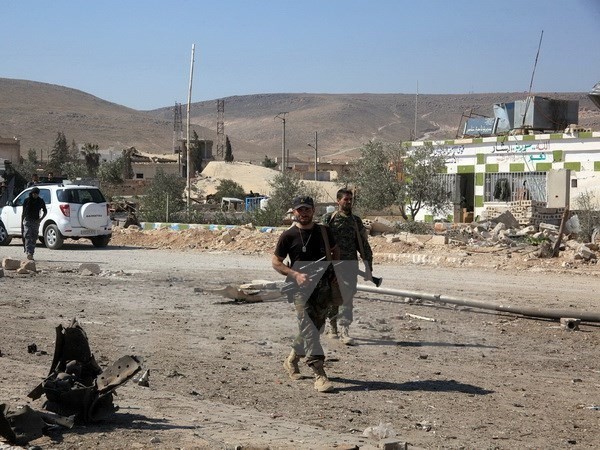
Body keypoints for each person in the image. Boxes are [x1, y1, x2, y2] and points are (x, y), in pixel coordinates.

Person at [272, 195, 339, 393]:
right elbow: (276, 262)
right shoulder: (288, 236)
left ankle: (292, 359)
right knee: (310, 329)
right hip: (301, 290)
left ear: (313, 210)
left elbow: (335, 252)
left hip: (323, 287)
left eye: (307, 209)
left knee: (315, 328)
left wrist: (335, 271)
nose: (304, 213)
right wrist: (295, 274)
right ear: (294, 212)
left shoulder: (325, 232)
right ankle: (319, 373)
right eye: (300, 210)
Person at [321, 188, 373, 346]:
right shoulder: (329, 218)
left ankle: (344, 331)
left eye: (350, 199)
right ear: (338, 201)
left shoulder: (356, 221)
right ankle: (333, 327)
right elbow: (320, 241)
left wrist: (368, 267)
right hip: (331, 265)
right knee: (332, 298)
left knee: (347, 298)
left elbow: (363, 245)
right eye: (346, 199)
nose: (349, 202)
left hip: (350, 265)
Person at [21, 187, 47, 260]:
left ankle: (31, 252)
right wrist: (23, 220)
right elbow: (23, 212)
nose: (34, 195)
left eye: (36, 194)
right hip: (27, 220)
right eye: (33, 193)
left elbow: (45, 211)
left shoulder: (40, 201)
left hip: (36, 221)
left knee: (34, 237)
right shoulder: (27, 201)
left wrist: (40, 219)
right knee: (28, 235)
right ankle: (29, 252)